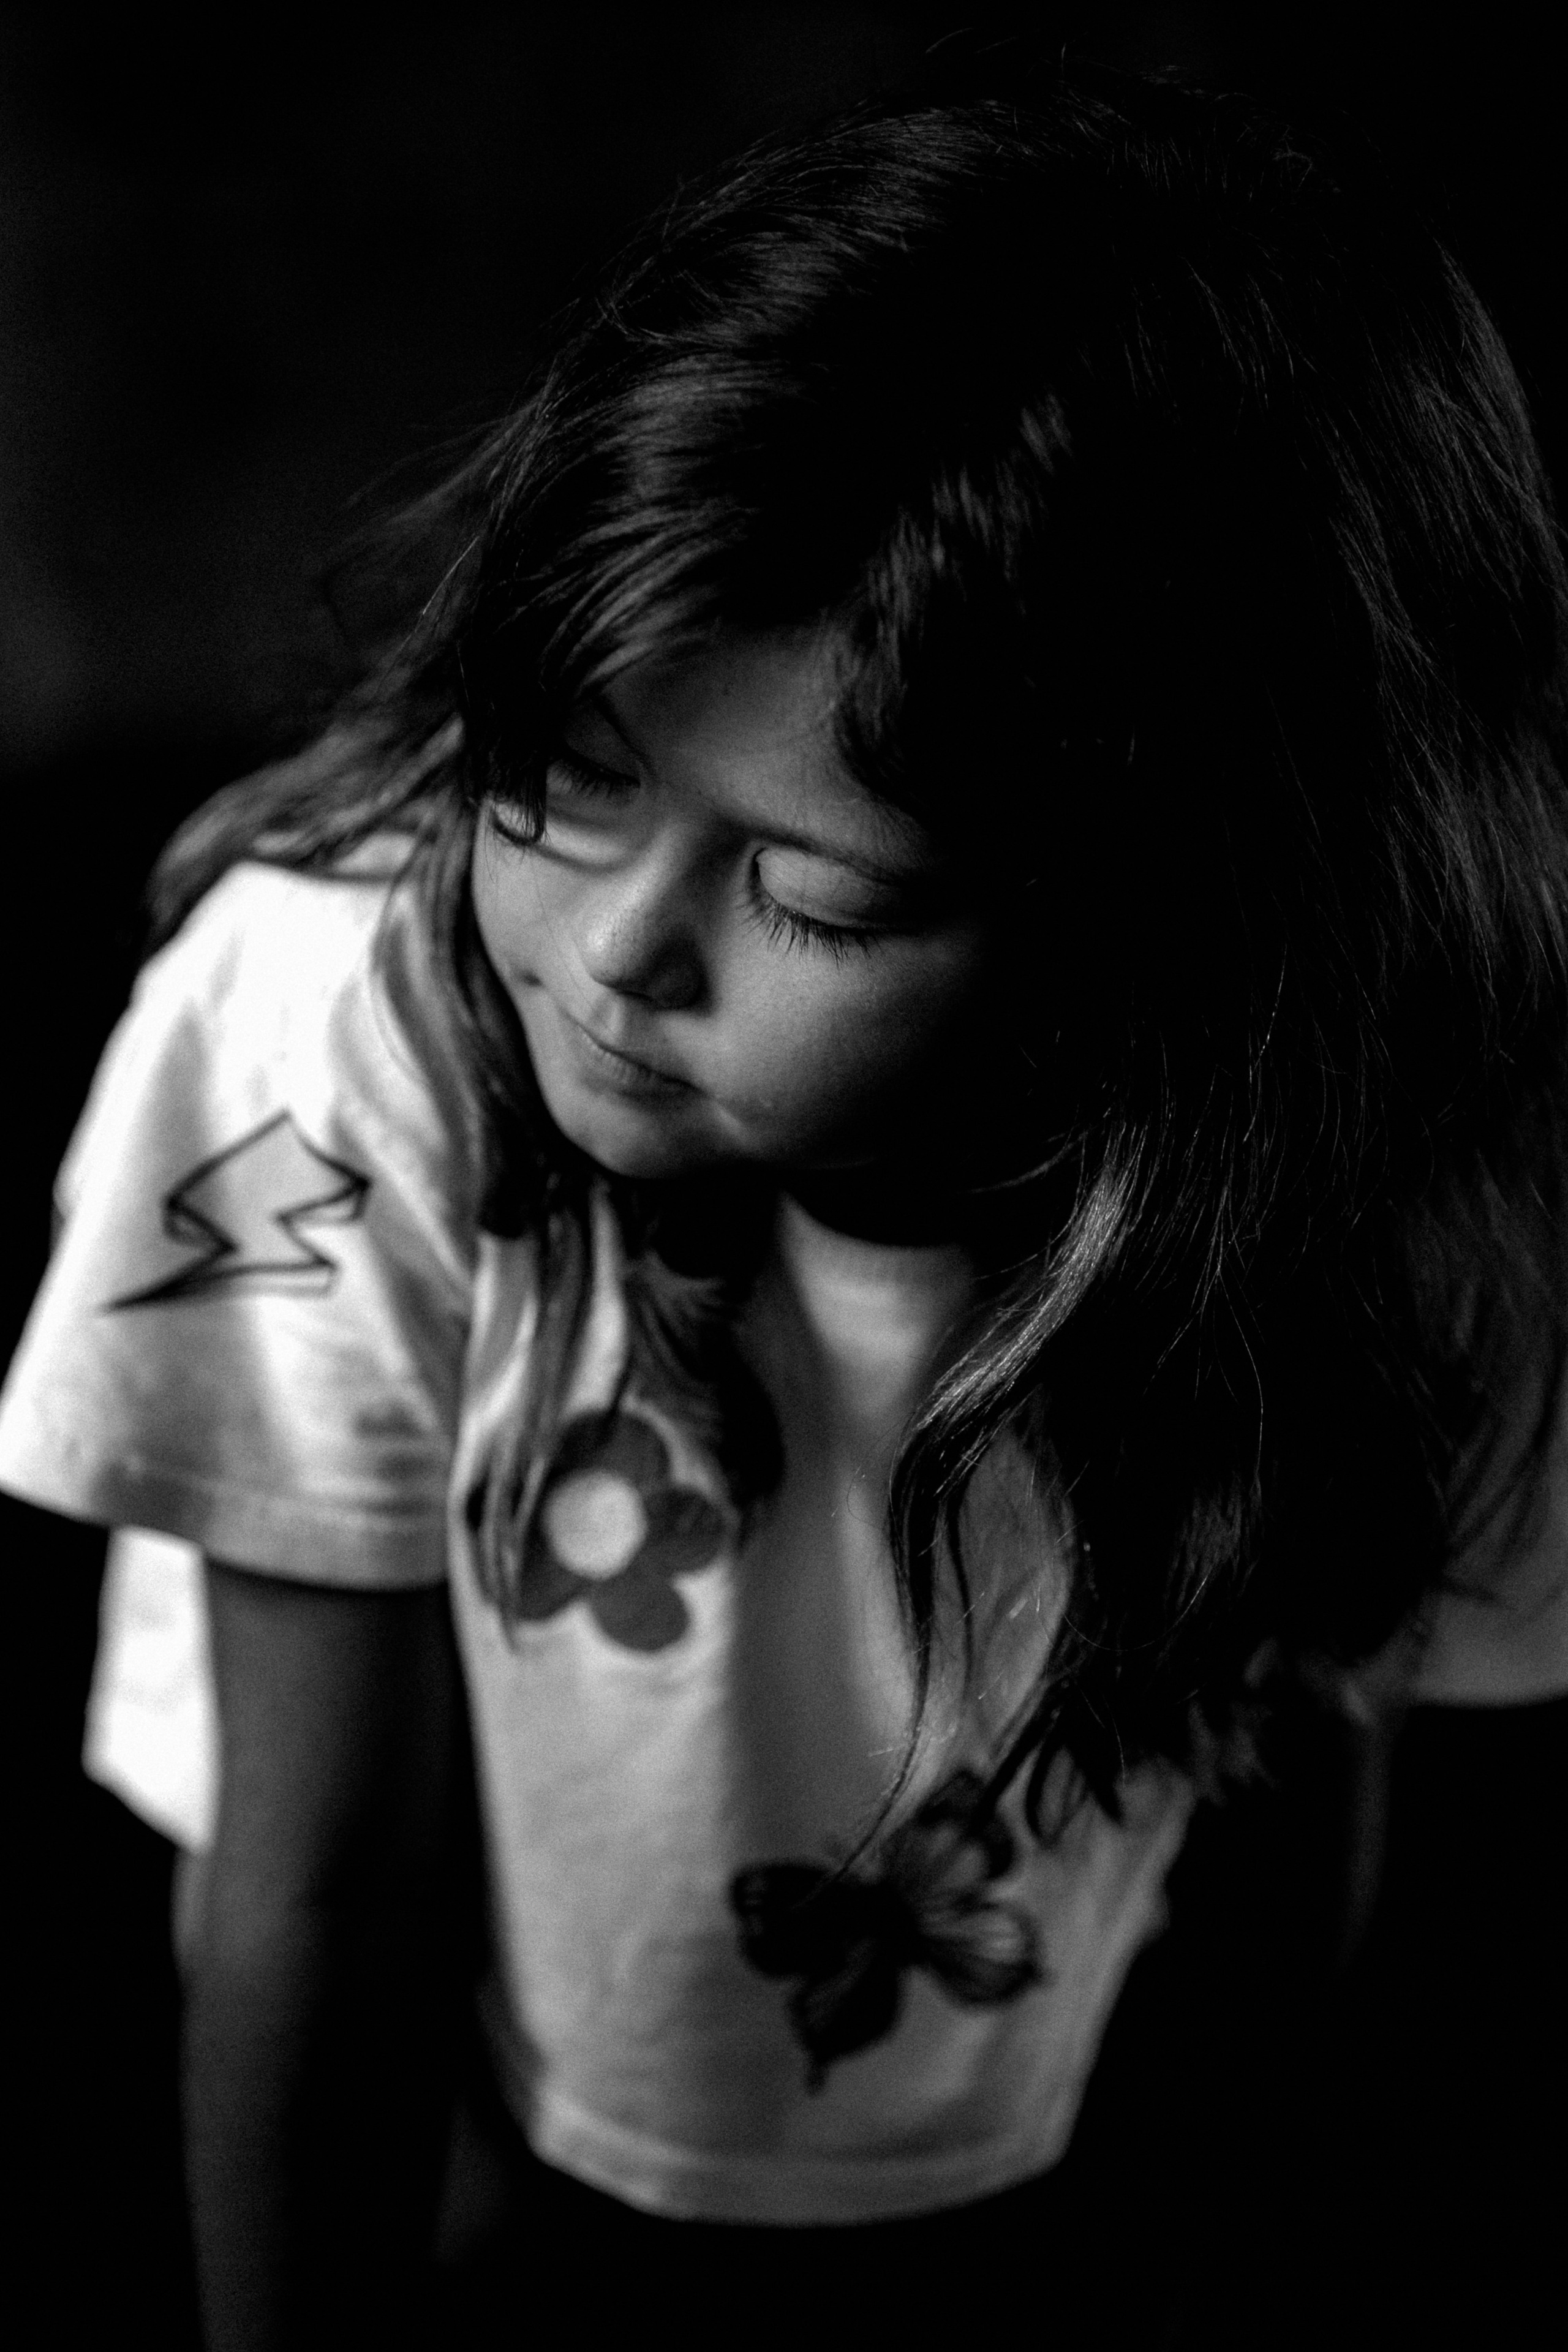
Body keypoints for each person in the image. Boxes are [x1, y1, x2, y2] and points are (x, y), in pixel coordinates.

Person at [4, 51, 1567, 2349]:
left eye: (815, 900)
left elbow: (1302, 1770)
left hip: (989, 1931)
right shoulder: (341, 1030)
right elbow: (323, 1892)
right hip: (416, 1899)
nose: (620, 953)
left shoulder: (1394, 1162)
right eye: (562, 772)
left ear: (1160, 947)